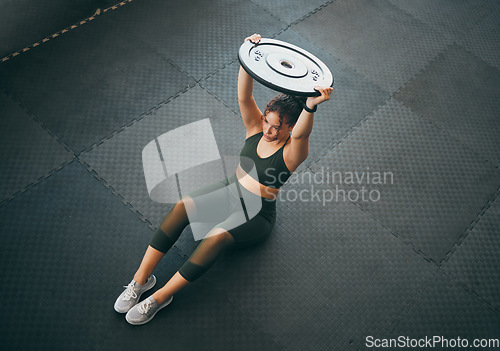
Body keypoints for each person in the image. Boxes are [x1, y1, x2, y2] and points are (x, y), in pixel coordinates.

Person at [114, 33, 333, 325]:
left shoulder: (293, 152)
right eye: (267, 121)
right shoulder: (256, 128)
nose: (268, 130)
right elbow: (244, 96)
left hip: (257, 213)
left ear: (290, 128)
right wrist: (248, 55)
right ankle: (141, 280)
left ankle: (160, 297)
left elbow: (304, 132)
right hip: (230, 191)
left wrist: (310, 106)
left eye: (276, 127)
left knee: (216, 236)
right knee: (182, 205)